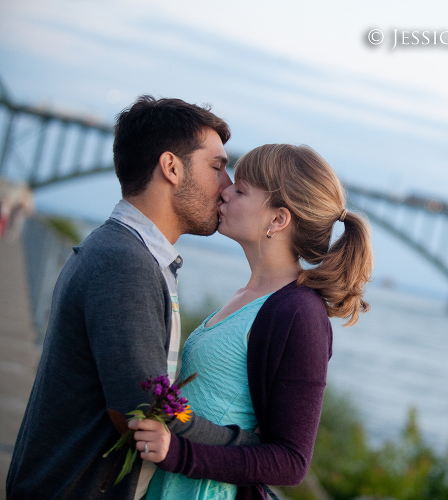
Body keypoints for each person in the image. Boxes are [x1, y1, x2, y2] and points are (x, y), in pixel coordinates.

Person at [6, 96, 262, 500]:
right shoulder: (125, 263)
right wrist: (249, 445)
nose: (228, 186)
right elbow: (144, 410)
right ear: (171, 168)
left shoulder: (124, 251)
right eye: (217, 167)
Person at [128, 144, 374, 499]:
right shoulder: (248, 296)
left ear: (278, 219)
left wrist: (178, 453)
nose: (224, 191)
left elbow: (290, 461)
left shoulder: (299, 315)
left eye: (241, 190)